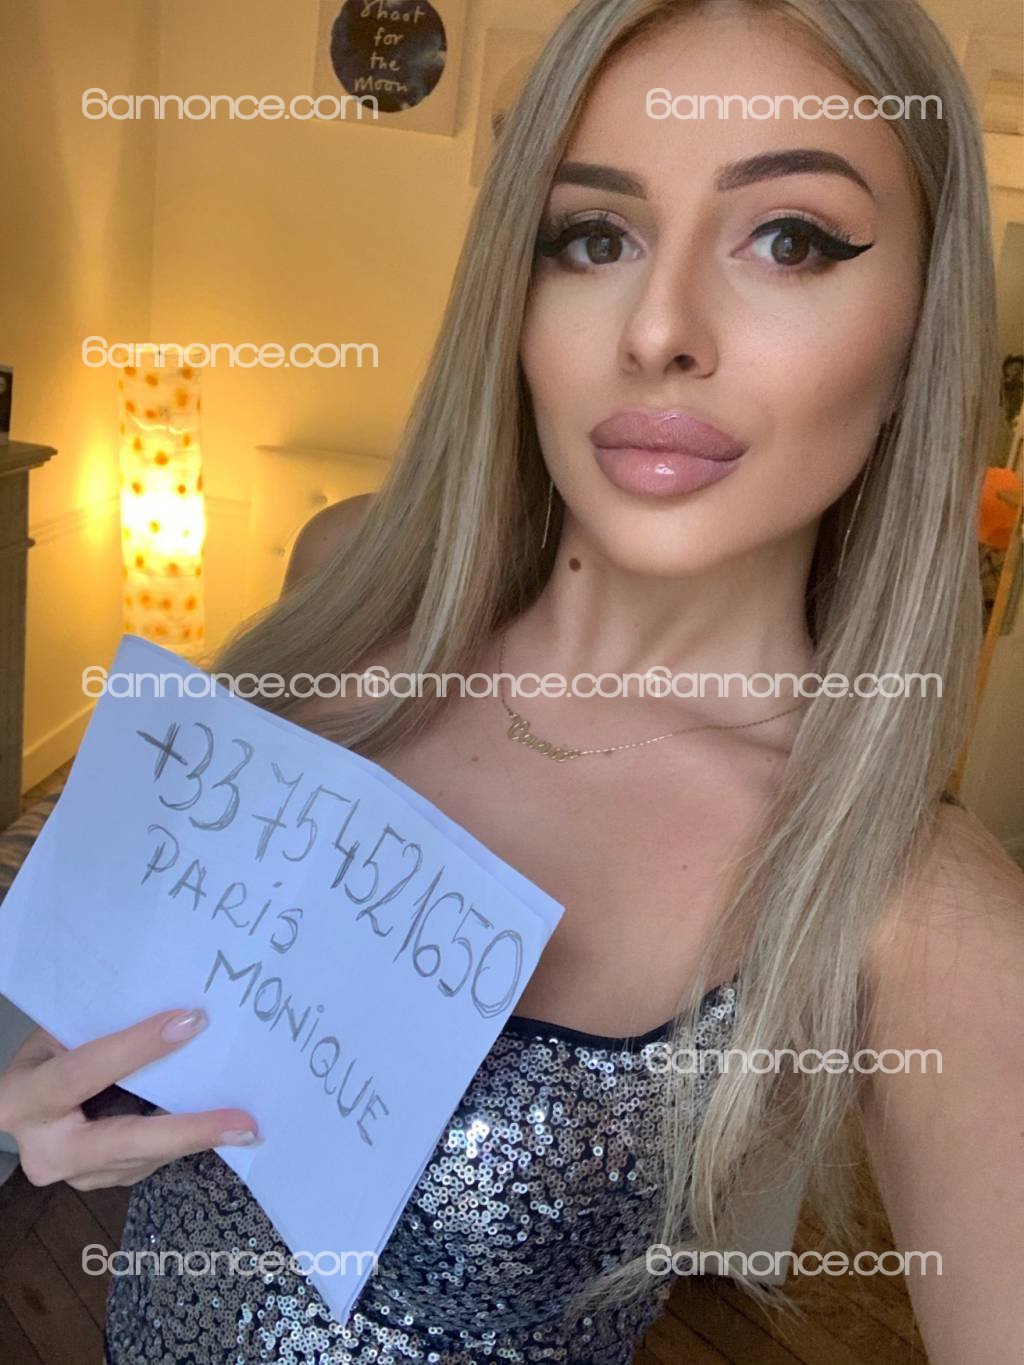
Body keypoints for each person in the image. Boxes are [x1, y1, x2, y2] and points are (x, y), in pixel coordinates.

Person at [2, 1, 1022, 1361]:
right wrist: (71, 1089)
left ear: (919, 330)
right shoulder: (349, 585)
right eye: (593, 236)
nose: (658, 329)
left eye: (790, 240)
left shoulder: (922, 903)